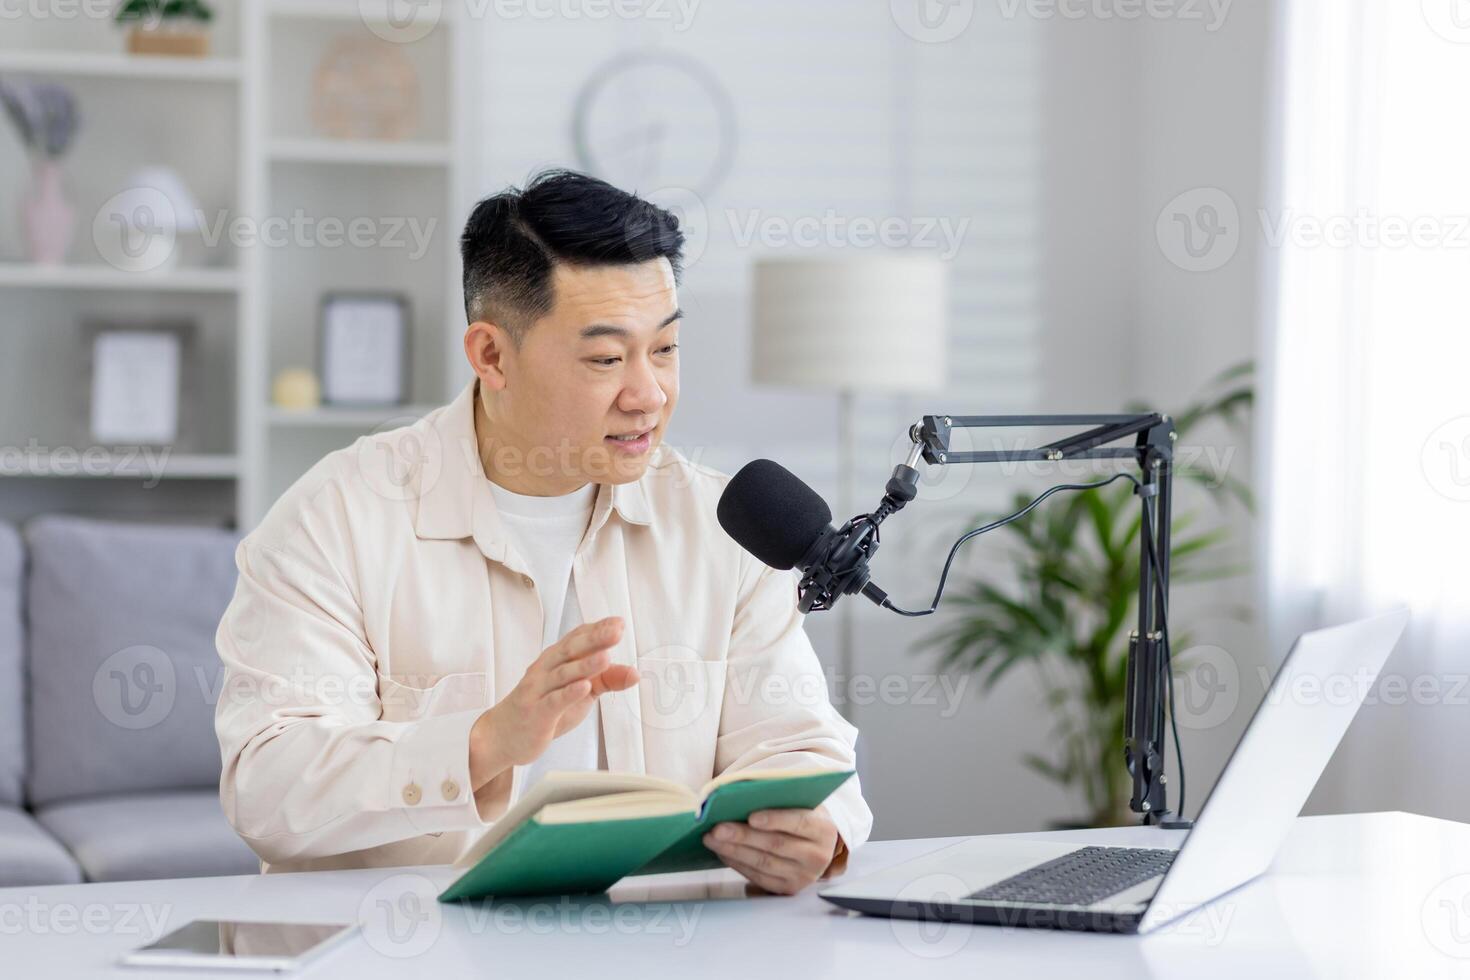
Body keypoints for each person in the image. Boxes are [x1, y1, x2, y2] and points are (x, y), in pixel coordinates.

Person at [215, 170, 872, 895]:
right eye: (605, 358)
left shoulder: (720, 525)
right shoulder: (336, 516)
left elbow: (799, 740)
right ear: (492, 355)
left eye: (664, 349)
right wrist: (483, 743)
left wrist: (820, 829)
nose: (648, 394)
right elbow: (266, 788)